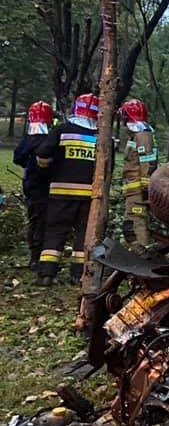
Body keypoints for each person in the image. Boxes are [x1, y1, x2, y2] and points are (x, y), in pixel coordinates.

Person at [35, 93, 99, 286]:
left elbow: (42, 153)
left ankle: (47, 274)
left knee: (55, 232)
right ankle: (77, 274)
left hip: (60, 193)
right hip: (89, 195)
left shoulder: (62, 130)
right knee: (83, 235)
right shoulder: (100, 136)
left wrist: (47, 170)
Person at [13, 101, 54, 269]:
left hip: (32, 187)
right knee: (47, 222)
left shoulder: (28, 140)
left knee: (35, 220)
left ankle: (35, 256)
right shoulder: (52, 139)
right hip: (49, 186)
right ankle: (44, 255)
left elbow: (18, 158)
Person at [118, 99, 157, 248]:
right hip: (133, 191)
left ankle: (141, 258)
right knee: (131, 224)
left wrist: (146, 192)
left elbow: (147, 163)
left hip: (138, 193)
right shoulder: (137, 135)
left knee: (135, 224)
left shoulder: (142, 135)